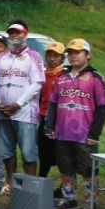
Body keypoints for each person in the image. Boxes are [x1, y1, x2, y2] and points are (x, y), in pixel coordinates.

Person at [45, 39, 105, 209]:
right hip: (63, 132)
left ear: (88, 55)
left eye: (77, 52)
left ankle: (91, 203)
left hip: (84, 134)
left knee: (88, 169)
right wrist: (49, 125)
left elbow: (103, 107)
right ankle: (69, 197)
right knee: (66, 167)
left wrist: (94, 134)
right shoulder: (62, 77)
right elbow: (53, 103)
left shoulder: (96, 78)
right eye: (70, 53)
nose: (73, 56)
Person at [0, 19, 45, 185]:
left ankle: (29, 184)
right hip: (2, 112)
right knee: (6, 151)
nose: (14, 35)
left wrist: (18, 104)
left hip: (24, 112)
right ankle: (10, 182)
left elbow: (37, 82)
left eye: (17, 32)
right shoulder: (2, 57)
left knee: (28, 151)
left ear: (25, 34)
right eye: (11, 33)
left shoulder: (33, 56)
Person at [39, 42, 65, 181]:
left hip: (59, 119)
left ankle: (65, 186)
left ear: (62, 58)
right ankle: (41, 180)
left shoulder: (65, 75)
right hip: (43, 117)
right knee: (43, 152)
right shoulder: (42, 74)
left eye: (56, 56)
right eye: (49, 55)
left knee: (61, 154)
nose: (52, 58)